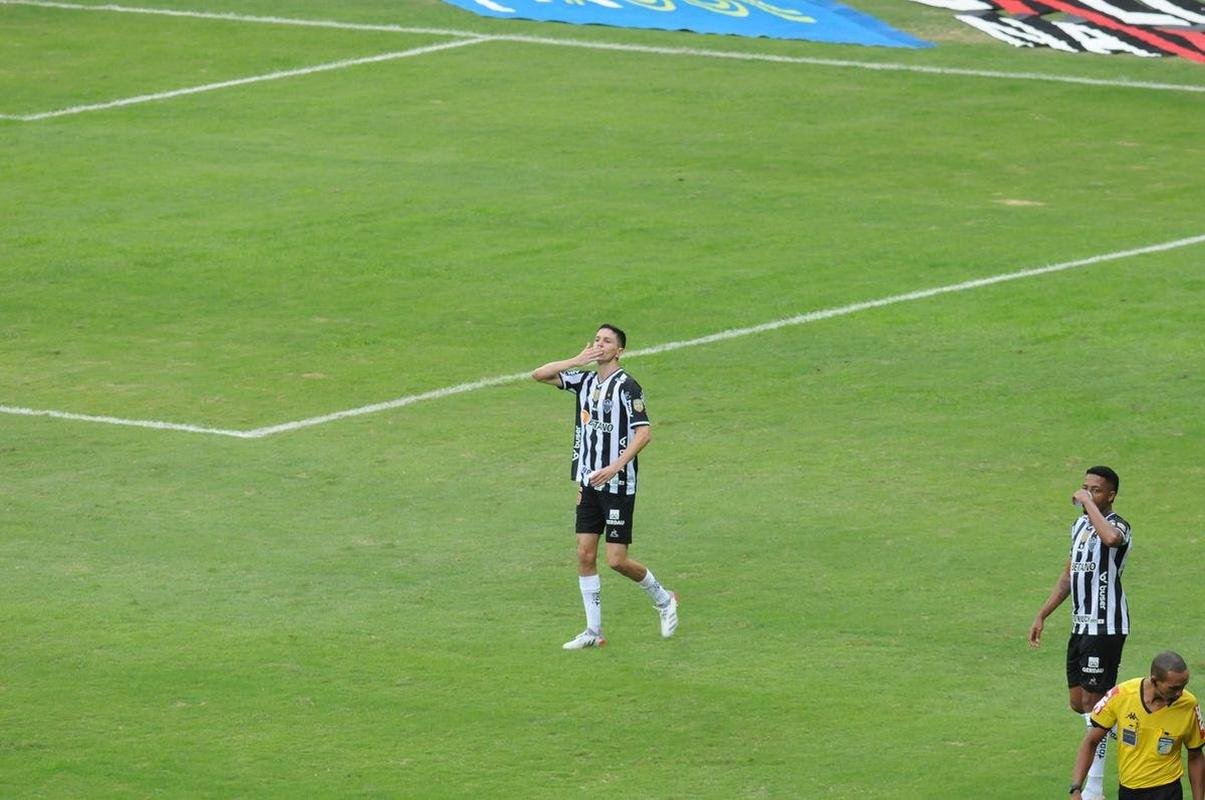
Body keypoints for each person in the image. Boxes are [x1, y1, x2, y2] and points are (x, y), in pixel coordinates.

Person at [531, 323, 678, 650]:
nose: (600, 344)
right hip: (588, 483)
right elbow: (538, 375)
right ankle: (594, 631)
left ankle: (665, 599)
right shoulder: (583, 381)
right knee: (585, 554)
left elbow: (644, 433)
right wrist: (576, 359)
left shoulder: (628, 387)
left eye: (606, 341)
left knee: (616, 560)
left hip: (618, 485)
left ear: (619, 351)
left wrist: (614, 467)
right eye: (597, 339)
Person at [1030, 466, 1132, 800]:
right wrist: (1043, 613)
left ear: (1111, 494)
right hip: (1080, 625)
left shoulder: (1118, 525)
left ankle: (1093, 788)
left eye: (1096, 490)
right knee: (1079, 703)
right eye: (1085, 487)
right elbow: (1069, 576)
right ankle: (1123, 724)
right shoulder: (1078, 527)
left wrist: (1087, 503)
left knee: (1094, 703)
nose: (1087, 492)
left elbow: (1111, 540)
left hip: (1106, 626)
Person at [1069, 651, 1204, 800]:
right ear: (1153, 681)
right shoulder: (1121, 695)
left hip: (1168, 790)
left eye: (1183, 686)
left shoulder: (1189, 705)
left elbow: (1196, 756)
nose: (1179, 693)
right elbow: (1091, 741)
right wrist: (1076, 788)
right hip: (1129, 791)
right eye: (1173, 688)